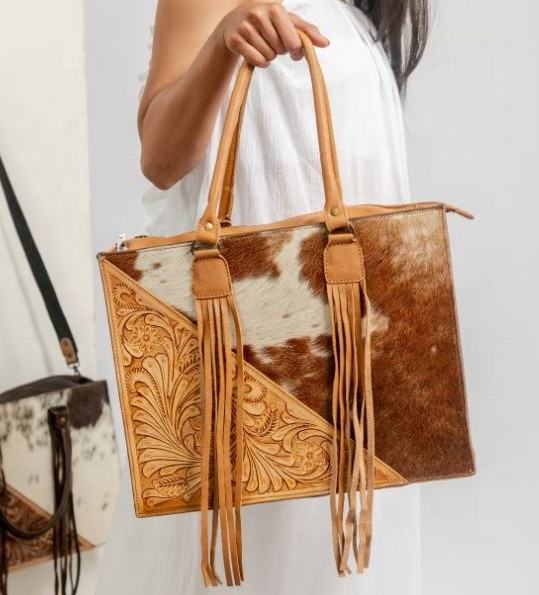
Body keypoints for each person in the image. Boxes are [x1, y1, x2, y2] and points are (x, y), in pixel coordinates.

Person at [98, 1, 428, 593]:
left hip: (355, 363)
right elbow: (160, 160)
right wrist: (224, 41)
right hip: (250, 355)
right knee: (263, 554)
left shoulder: (354, 10)